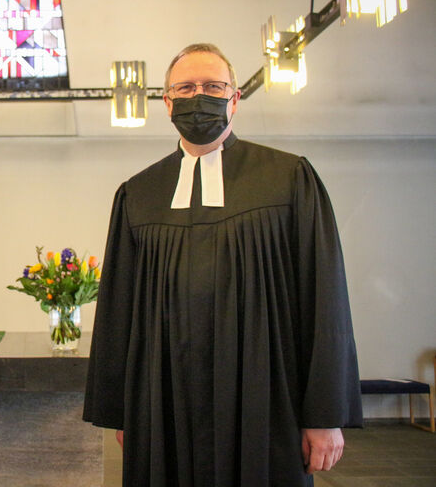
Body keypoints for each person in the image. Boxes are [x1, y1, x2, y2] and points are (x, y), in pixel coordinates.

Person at [83, 43, 362, 486]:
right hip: (165, 403)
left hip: (266, 397)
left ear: (234, 99)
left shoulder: (288, 178)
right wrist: (122, 411)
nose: (200, 96)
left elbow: (325, 299)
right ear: (167, 102)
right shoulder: (139, 193)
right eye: (187, 87)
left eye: (213, 86)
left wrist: (325, 414)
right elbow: (120, 311)